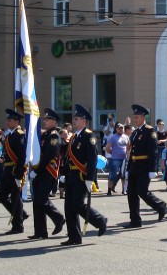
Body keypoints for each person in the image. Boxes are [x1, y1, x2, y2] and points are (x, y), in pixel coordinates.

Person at [61, 104, 108, 246]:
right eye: (74, 118)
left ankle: (100, 220)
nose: (74, 121)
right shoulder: (74, 136)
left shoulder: (89, 136)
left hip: (81, 176)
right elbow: (68, 157)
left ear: (84, 120)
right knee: (69, 207)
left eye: (76, 118)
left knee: (77, 204)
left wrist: (90, 178)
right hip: (71, 175)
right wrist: (64, 174)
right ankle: (74, 237)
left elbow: (92, 159)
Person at [124, 104, 167, 228]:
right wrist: (128, 168)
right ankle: (135, 220)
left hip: (144, 166)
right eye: (134, 117)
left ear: (143, 118)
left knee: (142, 191)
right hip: (134, 166)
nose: (134, 120)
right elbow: (132, 151)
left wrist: (153, 169)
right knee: (131, 193)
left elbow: (152, 151)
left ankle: (160, 205)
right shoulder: (136, 132)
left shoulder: (150, 131)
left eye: (136, 117)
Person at [28, 108, 66, 239]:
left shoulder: (54, 135)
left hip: (48, 172)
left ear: (54, 121)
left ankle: (59, 218)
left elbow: (49, 154)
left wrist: (37, 170)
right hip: (40, 171)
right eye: (44, 119)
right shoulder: (45, 135)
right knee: (36, 202)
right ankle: (40, 232)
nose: (45, 121)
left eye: (47, 119)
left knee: (41, 200)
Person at [0, 109, 29, 235]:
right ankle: (21, 214)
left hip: (14, 170)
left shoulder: (20, 135)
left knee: (16, 198)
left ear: (16, 122)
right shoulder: (9, 135)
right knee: (1, 196)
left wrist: (19, 174)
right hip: (6, 170)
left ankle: (18, 225)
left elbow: (22, 157)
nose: (7, 122)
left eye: (10, 120)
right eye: (7, 119)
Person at [105, 123, 129, 195]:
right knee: (112, 174)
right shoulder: (113, 137)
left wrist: (128, 153)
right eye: (119, 128)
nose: (121, 129)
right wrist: (113, 153)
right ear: (116, 129)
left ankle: (124, 190)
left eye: (122, 128)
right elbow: (107, 148)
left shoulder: (126, 137)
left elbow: (128, 146)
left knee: (123, 175)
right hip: (115, 159)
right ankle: (109, 190)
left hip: (124, 159)